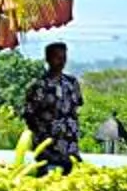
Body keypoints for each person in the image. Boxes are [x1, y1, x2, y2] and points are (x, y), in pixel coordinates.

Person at [24, 42, 84, 175]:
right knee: (47, 180)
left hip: (69, 146)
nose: (61, 61)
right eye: (57, 57)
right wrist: (42, 135)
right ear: (48, 59)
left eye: (63, 57)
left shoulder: (72, 83)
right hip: (47, 147)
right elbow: (29, 115)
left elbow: (77, 106)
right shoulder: (39, 85)